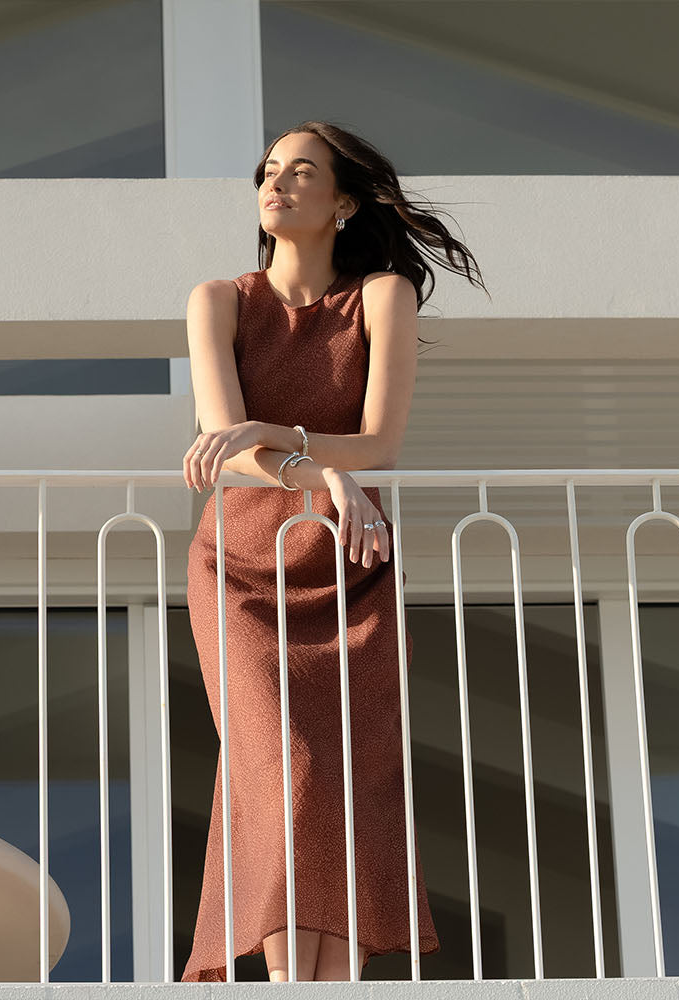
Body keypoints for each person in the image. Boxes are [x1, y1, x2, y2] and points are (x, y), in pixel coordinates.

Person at [179, 120, 486, 982]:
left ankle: (329, 984)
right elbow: (222, 451)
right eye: (268, 170)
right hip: (240, 566)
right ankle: (288, 983)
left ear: (344, 202)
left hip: (349, 560)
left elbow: (378, 444)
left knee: (345, 775)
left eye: (301, 171)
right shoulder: (219, 300)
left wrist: (294, 446)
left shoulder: (383, 295)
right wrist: (318, 466)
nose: (276, 182)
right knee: (283, 766)